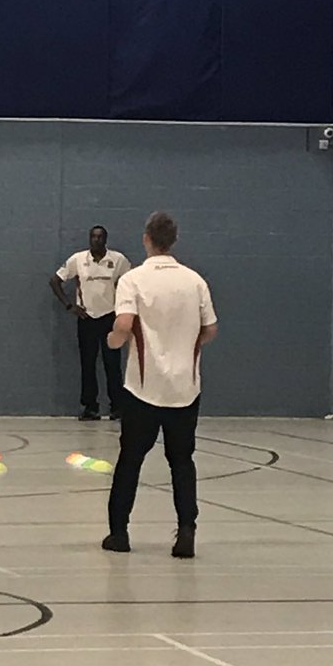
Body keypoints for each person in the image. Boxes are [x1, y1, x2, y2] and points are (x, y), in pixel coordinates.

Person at [101, 212, 217, 559]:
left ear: (146, 239)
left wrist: (113, 341)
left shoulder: (133, 280)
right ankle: (186, 530)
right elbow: (210, 329)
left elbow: (123, 323)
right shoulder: (195, 281)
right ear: (174, 240)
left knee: (130, 460)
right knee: (182, 461)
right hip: (185, 388)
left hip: (143, 387)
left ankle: (119, 533)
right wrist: (187, 345)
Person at [50, 226, 131, 420]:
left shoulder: (118, 260)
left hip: (110, 318)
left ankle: (117, 407)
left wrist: (124, 307)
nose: (96, 240)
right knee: (88, 363)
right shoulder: (78, 260)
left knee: (112, 364)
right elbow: (55, 281)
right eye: (93, 237)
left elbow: (130, 283)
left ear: (105, 239)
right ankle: (90, 407)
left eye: (100, 237)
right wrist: (70, 306)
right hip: (87, 318)